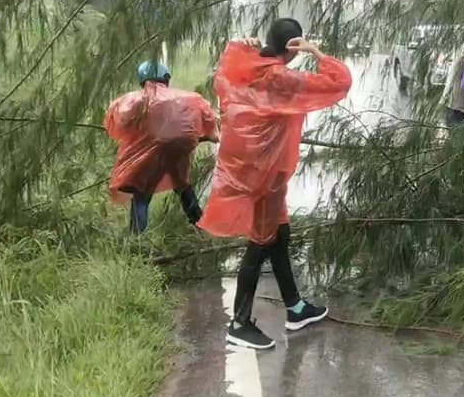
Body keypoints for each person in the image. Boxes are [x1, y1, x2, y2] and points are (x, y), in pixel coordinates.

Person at [198, 18, 352, 350]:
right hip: (264, 175)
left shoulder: (246, 68)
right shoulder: (281, 79)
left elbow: (227, 64)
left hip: (252, 168)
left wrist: (245, 46)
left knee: (279, 235)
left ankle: (295, 307)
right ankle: (239, 323)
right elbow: (339, 82)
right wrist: (316, 52)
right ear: (293, 46)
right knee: (260, 243)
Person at [105, 61, 218, 235]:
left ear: (143, 80)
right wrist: (209, 135)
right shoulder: (190, 98)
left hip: (151, 153)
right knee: (183, 186)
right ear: (166, 78)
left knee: (142, 192)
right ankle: (200, 226)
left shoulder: (134, 100)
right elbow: (207, 120)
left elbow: (118, 123)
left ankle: (137, 239)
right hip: (179, 150)